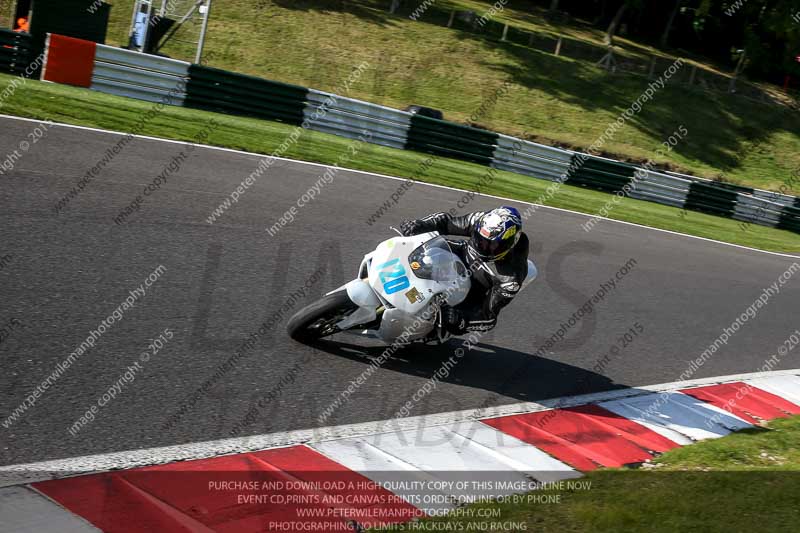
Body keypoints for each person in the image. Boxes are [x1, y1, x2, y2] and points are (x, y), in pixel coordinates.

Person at [400, 206, 530, 335]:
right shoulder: (480, 221)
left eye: (492, 245)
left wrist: (463, 320)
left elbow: (489, 318)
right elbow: (446, 222)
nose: (483, 247)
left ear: (510, 243)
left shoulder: (510, 279)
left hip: (473, 291)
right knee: (425, 251)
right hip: (463, 253)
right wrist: (420, 225)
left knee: (451, 324)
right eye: (480, 240)